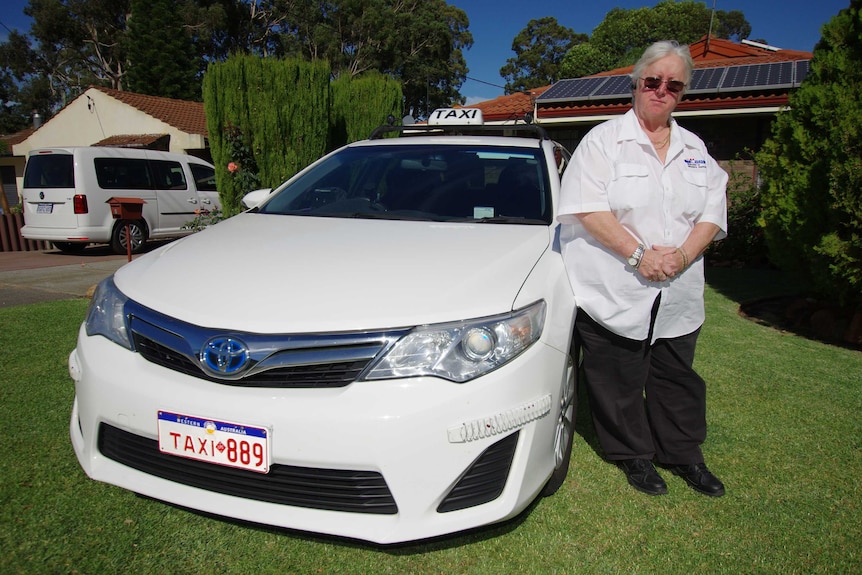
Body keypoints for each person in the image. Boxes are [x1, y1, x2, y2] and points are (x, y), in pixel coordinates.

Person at [557, 40, 728, 497]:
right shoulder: (604, 141)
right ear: (636, 84)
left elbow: (713, 210)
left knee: (677, 376)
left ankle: (684, 454)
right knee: (618, 379)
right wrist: (641, 256)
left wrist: (683, 255)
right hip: (616, 287)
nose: (661, 90)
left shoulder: (695, 147)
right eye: (653, 81)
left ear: (683, 93)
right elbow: (588, 210)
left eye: (674, 85)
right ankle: (633, 454)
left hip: (678, 289)